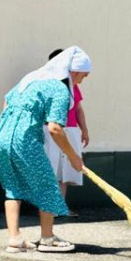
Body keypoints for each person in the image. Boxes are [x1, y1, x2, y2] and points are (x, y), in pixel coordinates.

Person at [0, 47, 91, 253]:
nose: (82, 80)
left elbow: (7, 100)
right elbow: (55, 128)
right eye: (83, 75)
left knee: (12, 186)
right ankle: (47, 238)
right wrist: (73, 157)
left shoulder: (32, 79)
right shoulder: (60, 90)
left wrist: (13, 126)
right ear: (73, 71)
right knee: (47, 184)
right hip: (23, 139)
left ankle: (15, 239)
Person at [42, 48, 90, 201]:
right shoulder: (47, 84)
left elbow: (78, 109)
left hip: (70, 130)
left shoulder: (73, 85)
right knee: (51, 169)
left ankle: (61, 207)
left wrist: (84, 130)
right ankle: (47, 210)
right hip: (52, 130)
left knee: (65, 171)